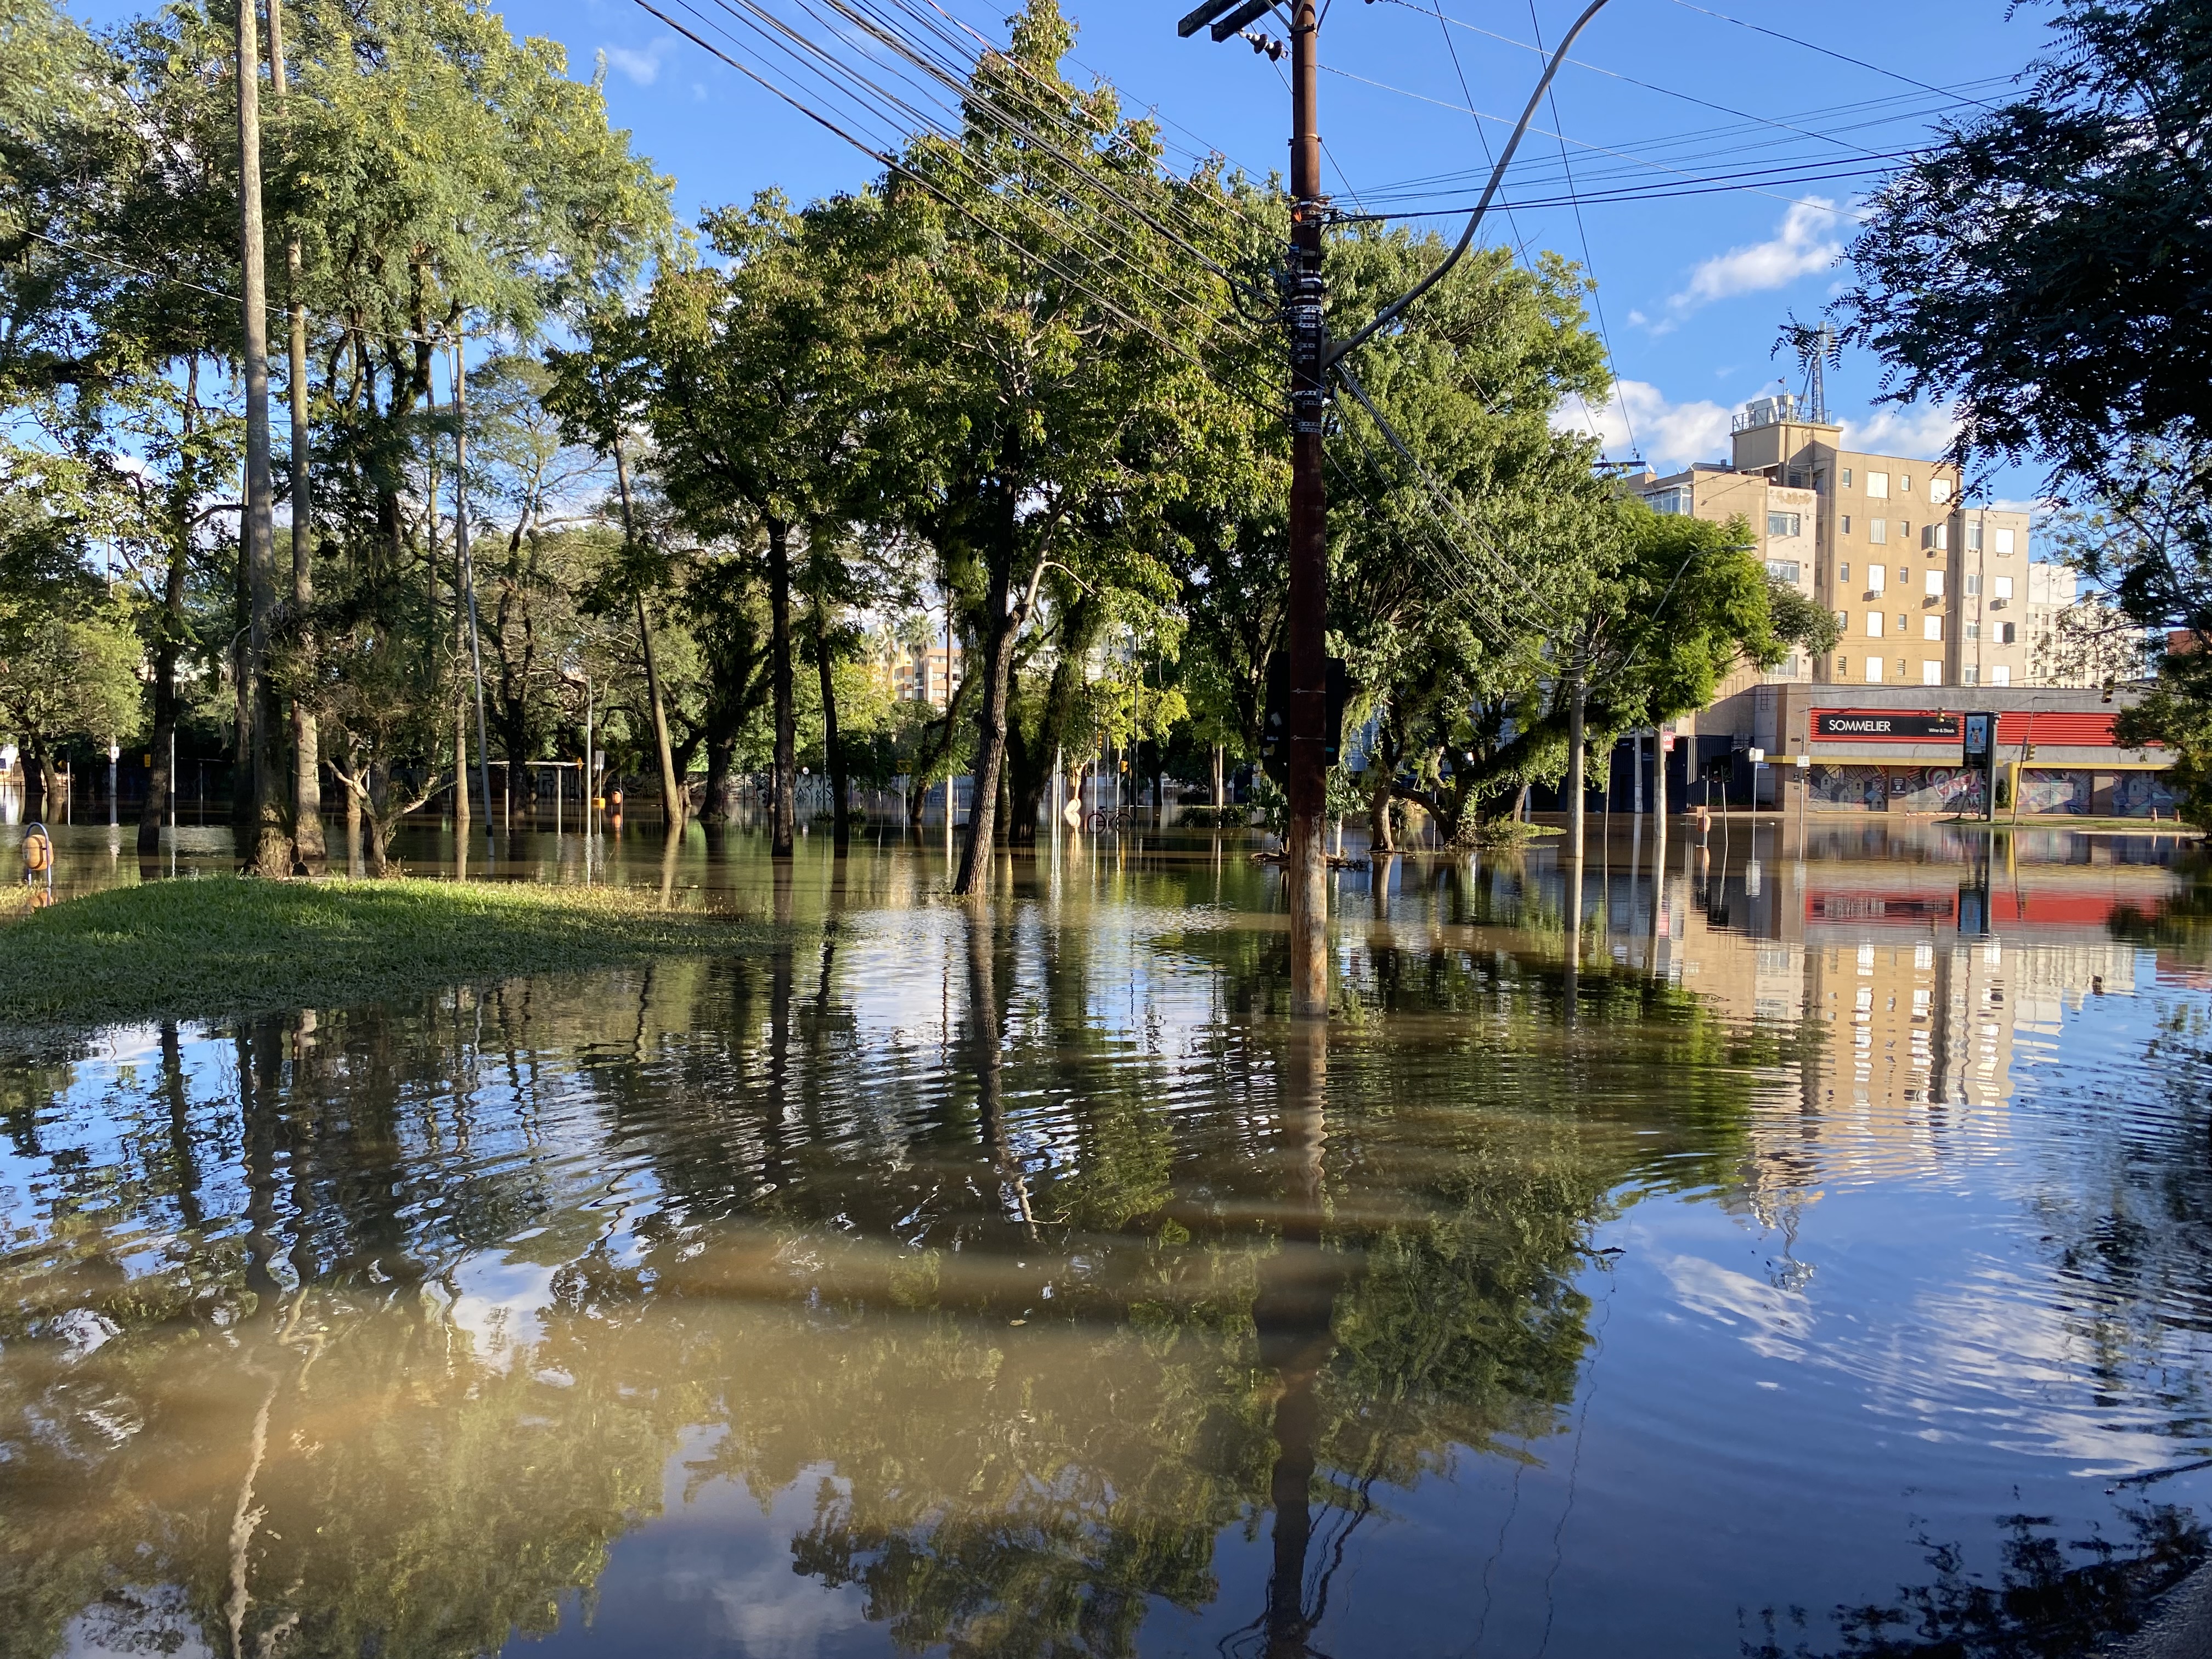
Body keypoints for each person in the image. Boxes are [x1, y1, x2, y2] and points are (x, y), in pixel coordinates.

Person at [22, 820, 53, 900]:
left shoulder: (43, 845)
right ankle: (47, 885)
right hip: (34, 860)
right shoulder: (29, 843)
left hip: (43, 860)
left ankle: (46, 885)